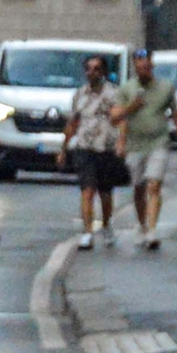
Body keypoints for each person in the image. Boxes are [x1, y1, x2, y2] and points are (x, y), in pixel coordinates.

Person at [110, 48, 177, 251]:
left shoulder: (166, 87)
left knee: (154, 185)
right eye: (139, 67)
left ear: (151, 67)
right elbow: (114, 117)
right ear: (135, 68)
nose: (143, 70)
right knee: (139, 187)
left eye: (146, 67)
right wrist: (131, 108)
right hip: (135, 144)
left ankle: (152, 230)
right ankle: (142, 225)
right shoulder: (127, 89)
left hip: (158, 142)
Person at [62, 56, 126, 250]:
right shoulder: (79, 94)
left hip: (106, 147)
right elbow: (73, 122)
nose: (92, 73)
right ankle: (87, 231)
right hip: (85, 147)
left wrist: (122, 141)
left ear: (103, 72)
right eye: (89, 69)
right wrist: (63, 147)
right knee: (87, 190)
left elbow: (121, 119)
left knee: (105, 193)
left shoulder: (114, 93)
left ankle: (106, 226)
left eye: (97, 69)